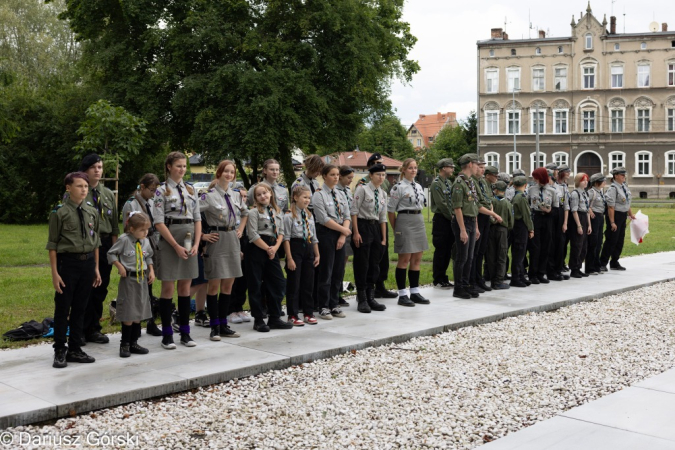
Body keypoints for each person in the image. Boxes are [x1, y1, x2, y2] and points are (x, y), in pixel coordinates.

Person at [48, 172, 101, 368]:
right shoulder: (59, 213)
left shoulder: (92, 211)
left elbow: (95, 243)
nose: (84, 190)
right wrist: (55, 273)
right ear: (68, 188)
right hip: (67, 264)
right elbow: (52, 245)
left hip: (87, 263)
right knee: (63, 307)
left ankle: (75, 348)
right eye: (79, 186)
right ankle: (60, 349)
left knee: (81, 307)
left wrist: (96, 267)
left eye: (86, 187)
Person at [153, 152, 202, 349]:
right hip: (170, 240)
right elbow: (158, 222)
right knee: (168, 287)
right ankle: (167, 335)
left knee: (185, 287)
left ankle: (185, 333)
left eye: (184, 166)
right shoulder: (161, 191)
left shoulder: (191, 190)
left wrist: (197, 243)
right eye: (178, 166)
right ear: (169, 167)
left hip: (190, 239)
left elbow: (198, 218)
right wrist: (175, 245)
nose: (182, 169)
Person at [200, 160, 247, 340]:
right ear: (219, 173)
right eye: (226, 171)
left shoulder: (235, 195)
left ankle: (223, 323)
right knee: (214, 285)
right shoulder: (208, 196)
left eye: (232, 172)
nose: (229, 175)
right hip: (217, 240)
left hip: (232, 240)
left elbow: (245, 213)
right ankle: (214, 327)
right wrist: (203, 236)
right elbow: (193, 215)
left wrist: (241, 229)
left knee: (228, 284)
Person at [77, 154, 120, 345]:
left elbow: (114, 225)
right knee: (84, 288)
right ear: (85, 170)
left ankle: (94, 327)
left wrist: (115, 248)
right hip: (85, 246)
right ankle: (79, 329)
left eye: (100, 167)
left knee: (100, 288)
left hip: (104, 245)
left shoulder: (108, 194)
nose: (97, 170)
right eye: (93, 167)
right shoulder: (78, 191)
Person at [107, 212, 154, 357]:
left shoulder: (145, 241)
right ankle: (125, 344)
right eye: (142, 230)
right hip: (129, 279)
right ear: (132, 229)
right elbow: (111, 253)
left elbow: (148, 256)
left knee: (139, 309)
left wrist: (151, 270)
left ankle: (134, 342)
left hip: (142, 279)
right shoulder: (124, 240)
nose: (145, 232)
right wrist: (119, 266)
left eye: (147, 230)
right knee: (128, 310)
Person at [246, 184, 292, 332]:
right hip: (257, 249)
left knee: (278, 283)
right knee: (256, 285)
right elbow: (252, 234)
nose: (263, 196)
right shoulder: (253, 212)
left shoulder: (277, 211)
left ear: (270, 193)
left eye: (264, 193)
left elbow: (281, 232)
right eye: (259, 195)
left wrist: (275, 248)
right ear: (255, 198)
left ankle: (274, 317)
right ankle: (258, 319)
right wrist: (267, 248)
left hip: (273, 248)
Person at [121, 173, 162, 337]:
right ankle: (134, 327)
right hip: (136, 248)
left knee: (149, 286)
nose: (153, 194)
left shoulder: (152, 202)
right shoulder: (131, 205)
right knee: (138, 288)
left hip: (151, 243)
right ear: (142, 187)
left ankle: (150, 321)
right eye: (151, 190)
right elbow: (127, 230)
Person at [388, 158, 429, 307]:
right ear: (404, 170)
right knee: (404, 259)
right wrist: (396, 229)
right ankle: (403, 294)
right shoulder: (397, 187)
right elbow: (391, 211)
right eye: (410, 168)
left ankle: (415, 291)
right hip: (405, 221)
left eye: (415, 168)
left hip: (418, 220)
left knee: (417, 258)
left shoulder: (418, 186)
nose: (413, 170)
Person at [313, 164, 351, 319]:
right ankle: (323, 306)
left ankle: (334, 304)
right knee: (326, 271)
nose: (336, 177)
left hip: (340, 235)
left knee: (338, 271)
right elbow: (323, 219)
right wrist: (343, 230)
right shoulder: (319, 195)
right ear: (324, 176)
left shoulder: (341, 194)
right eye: (332, 175)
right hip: (326, 234)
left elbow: (347, 215)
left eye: (337, 175)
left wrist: (343, 235)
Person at [358, 153, 397, 299]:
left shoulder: (384, 183)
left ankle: (380, 284)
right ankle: (367, 289)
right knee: (367, 258)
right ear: (370, 167)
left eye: (381, 163)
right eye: (375, 164)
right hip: (366, 222)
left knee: (382, 254)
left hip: (380, 221)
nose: (379, 166)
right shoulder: (363, 184)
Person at [351, 163, 388, 313]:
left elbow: (382, 218)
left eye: (383, 175)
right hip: (363, 225)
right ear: (371, 175)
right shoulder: (363, 189)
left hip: (375, 229)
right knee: (362, 263)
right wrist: (356, 232)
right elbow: (354, 211)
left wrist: (383, 238)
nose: (381, 177)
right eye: (378, 174)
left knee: (374, 264)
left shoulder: (383, 193)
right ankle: (362, 297)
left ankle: (370, 296)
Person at [283, 186, 320, 325]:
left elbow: (314, 237)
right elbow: (286, 238)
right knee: (294, 283)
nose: (307, 200)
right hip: (295, 248)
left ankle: (308, 312)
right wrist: (290, 258)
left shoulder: (310, 216)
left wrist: (317, 254)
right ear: (295, 197)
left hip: (309, 248)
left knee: (308, 283)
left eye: (309, 198)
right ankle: (292, 314)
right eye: (304, 197)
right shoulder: (289, 216)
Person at [451, 154, 480, 299]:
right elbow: (457, 208)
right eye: (476, 164)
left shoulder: (470, 182)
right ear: (469, 164)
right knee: (462, 257)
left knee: (469, 257)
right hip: (462, 222)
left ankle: (466, 283)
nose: (478, 167)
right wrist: (462, 230)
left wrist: (476, 226)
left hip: (471, 221)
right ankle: (458, 288)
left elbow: (473, 206)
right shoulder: (459, 183)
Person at [470, 161, 502, 292]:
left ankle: (479, 279)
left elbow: (488, 199)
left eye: (483, 168)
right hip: (477, 216)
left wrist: (491, 210)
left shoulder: (482, 182)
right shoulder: (472, 182)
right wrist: (493, 213)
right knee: (475, 252)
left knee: (481, 251)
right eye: (480, 167)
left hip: (486, 216)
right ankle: (473, 280)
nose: (482, 170)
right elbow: (477, 204)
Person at [600, 167, 635, 271]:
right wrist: (612, 222)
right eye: (621, 175)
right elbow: (611, 207)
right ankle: (602, 262)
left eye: (624, 175)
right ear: (615, 176)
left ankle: (614, 261)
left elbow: (627, 202)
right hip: (615, 215)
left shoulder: (624, 187)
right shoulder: (613, 189)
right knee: (611, 240)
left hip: (623, 215)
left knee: (620, 240)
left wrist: (630, 214)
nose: (624, 176)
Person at [429, 158, 455, 289]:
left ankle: (444, 277)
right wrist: (452, 216)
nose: (452, 169)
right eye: (451, 167)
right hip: (442, 219)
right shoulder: (437, 184)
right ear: (444, 168)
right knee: (441, 250)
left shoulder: (449, 183)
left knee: (448, 251)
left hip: (450, 218)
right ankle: (438, 278)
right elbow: (442, 204)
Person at [527, 167, 555, 284]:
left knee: (545, 246)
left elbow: (556, 206)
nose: (534, 179)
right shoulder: (531, 189)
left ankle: (541, 273)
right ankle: (532, 274)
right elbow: (528, 204)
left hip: (547, 218)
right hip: (536, 217)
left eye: (536, 177)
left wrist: (549, 211)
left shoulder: (552, 190)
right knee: (535, 247)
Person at [228, 187, 252, 324]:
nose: (243, 199)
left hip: (245, 243)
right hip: (232, 243)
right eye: (240, 196)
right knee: (233, 280)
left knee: (244, 279)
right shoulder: (231, 212)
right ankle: (230, 309)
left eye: (245, 196)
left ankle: (239, 307)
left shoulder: (246, 212)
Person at [487, 181, 513, 290]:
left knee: (491, 255)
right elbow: (511, 221)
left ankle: (492, 278)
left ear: (496, 190)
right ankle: (498, 280)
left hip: (491, 229)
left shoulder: (490, 202)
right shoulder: (508, 203)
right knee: (501, 255)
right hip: (503, 230)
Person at [336, 166, 356, 307]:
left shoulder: (348, 191)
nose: (350, 181)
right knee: (336, 264)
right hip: (338, 229)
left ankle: (338, 292)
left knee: (343, 264)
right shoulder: (335, 191)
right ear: (340, 176)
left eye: (352, 178)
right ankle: (334, 294)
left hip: (348, 230)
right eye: (348, 178)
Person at [509, 176, 534, 288]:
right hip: (521, 226)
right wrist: (531, 228)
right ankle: (516, 278)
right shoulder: (522, 198)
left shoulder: (515, 196)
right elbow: (526, 215)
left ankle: (520, 276)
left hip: (516, 226)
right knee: (519, 252)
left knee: (519, 252)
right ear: (525, 185)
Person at [568, 173, 591, 278]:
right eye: (583, 180)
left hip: (585, 218)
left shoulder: (585, 194)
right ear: (578, 181)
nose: (585, 182)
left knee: (584, 246)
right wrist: (579, 225)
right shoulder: (575, 194)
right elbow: (574, 210)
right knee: (577, 245)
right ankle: (574, 268)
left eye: (586, 180)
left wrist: (589, 225)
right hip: (578, 218)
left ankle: (579, 266)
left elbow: (587, 211)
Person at [551, 165, 572, 280]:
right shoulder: (554, 185)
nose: (569, 174)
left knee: (561, 243)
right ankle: (553, 269)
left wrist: (565, 222)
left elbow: (566, 204)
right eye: (567, 172)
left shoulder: (564, 186)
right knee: (553, 243)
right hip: (554, 212)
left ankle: (559, 267)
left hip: (562, 213)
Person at [585, 173, 606, 275]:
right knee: (593, 242)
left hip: (600, 217)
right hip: (594, 217)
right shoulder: (591, 192)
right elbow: (585, 204)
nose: (605, 182)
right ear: (597, 182)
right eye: (603, 181)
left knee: (599, 242)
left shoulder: (600, 192)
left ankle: (596, 265)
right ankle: (590, 267)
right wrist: (590, 210)